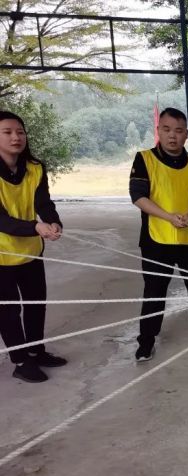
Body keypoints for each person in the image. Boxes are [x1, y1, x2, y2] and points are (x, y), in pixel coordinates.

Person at [129, 107, 188, 363]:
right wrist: (168, 216)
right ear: (158, 131)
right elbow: (138, 196)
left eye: (178, 130)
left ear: (186, 134)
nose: (172, 135)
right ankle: (146, 340)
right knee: (154, 291)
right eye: (167, 129)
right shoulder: (144, 159)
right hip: (155, 240)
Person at [0, 111, 67, 383]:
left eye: (20, 131)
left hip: (30, 251)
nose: (16, 137)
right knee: (8, 312)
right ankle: (20, 361)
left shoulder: (35, 168)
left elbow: (43, 203)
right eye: (7, 132)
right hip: (2, 256)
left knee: (36, 304)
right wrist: (35, 227)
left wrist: (53, 222)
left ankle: (36, 351)